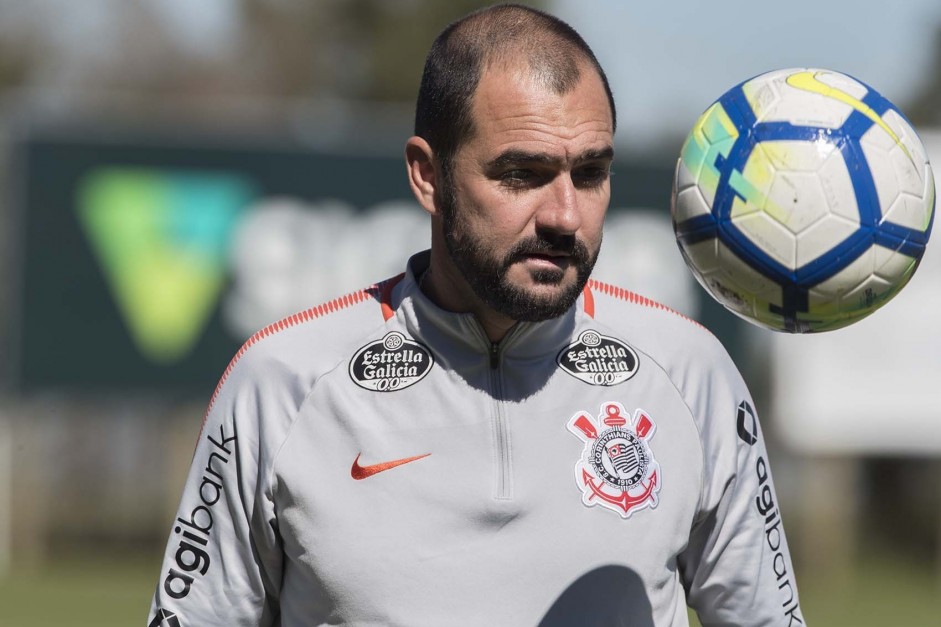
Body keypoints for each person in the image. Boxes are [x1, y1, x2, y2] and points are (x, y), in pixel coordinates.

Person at [149, 4, 803, 626]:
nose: (564, 215)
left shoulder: (689, 376)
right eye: (521, 173)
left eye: (590, 173)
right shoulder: (282, 383)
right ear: (427, 175)